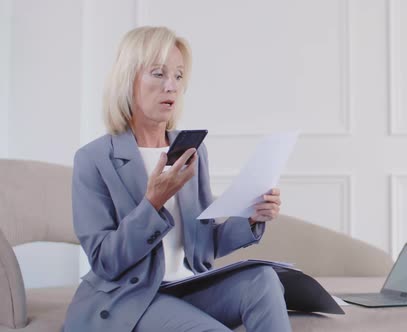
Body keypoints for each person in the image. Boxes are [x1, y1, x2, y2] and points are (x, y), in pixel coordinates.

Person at [63, 26, 291, 332]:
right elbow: (105, 261)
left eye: (179, 76)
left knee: (263, 279)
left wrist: (251, 217)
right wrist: (152, 203)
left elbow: (204, 245)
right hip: (133, 298)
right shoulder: (94, 159)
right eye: (158, 73)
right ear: (128, 79)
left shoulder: (192, 150)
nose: (172, 86)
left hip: (189, 288)